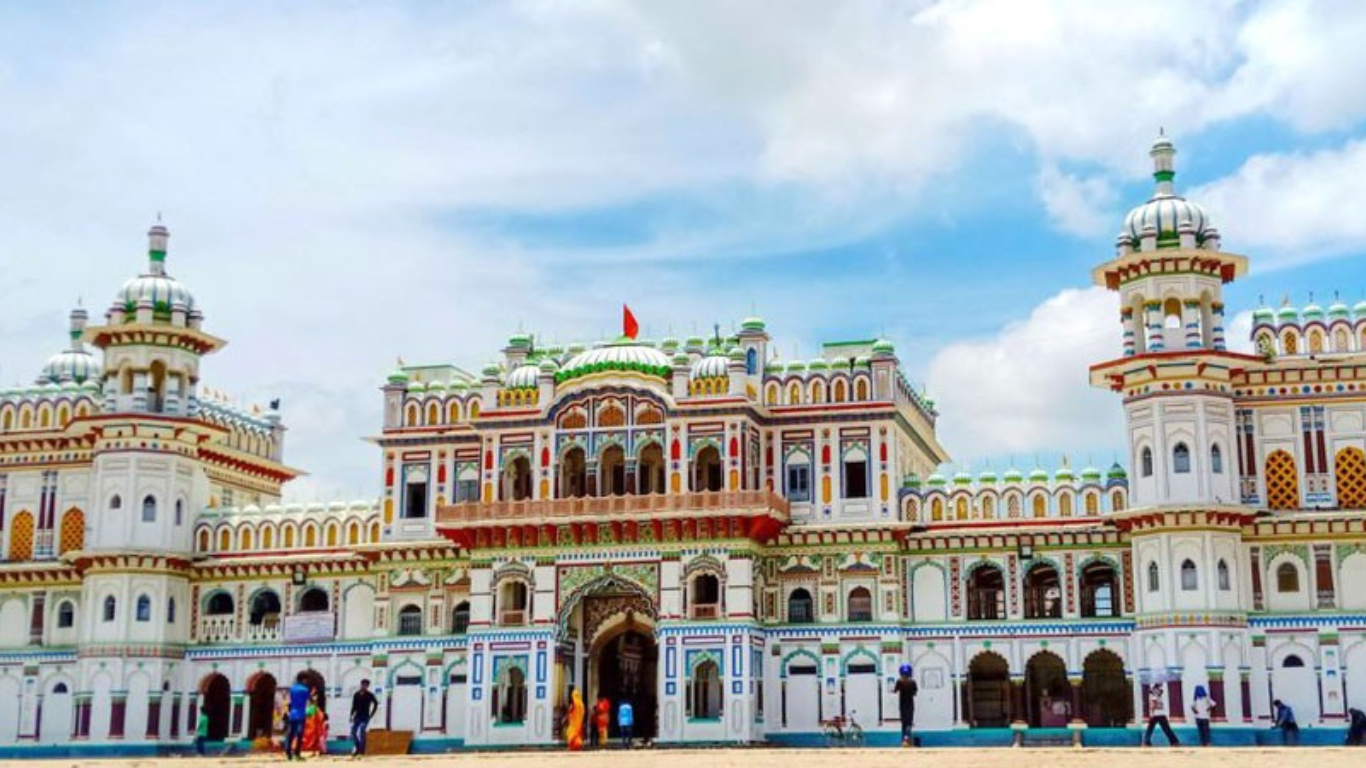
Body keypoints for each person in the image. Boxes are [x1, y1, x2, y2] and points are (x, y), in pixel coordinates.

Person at [350, 679, 380, 757]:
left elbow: (376, 703)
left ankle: (362, 751)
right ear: (361, 685)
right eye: (363, 685)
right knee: (353, 732)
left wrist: (372, 714)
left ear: (368, 686)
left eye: (366, 685)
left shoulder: (370, 695)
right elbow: (354, 706)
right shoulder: (356, 694)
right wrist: (351, 715)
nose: (364, 686)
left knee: (362, 731)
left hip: (365, 716)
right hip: (357, 716)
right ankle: (357, 747)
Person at [285, 673, 311, 760]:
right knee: (299, 734)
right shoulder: (305, 689)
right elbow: (309, 701)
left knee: (290, 734)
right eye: (306, 680)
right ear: (303, 679)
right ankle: (297, 753)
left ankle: (288, 752)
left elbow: (289, 700)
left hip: (292, 714)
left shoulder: (292, 689)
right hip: (301, 714)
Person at [892, 664, 918, 747]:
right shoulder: (913, 682)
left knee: (903, 723)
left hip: (902, 705)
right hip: (910, 705)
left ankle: (904, 740)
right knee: (909, 723)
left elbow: (895, 691)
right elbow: (915, 693)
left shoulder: (899, 681)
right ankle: (908, 739)